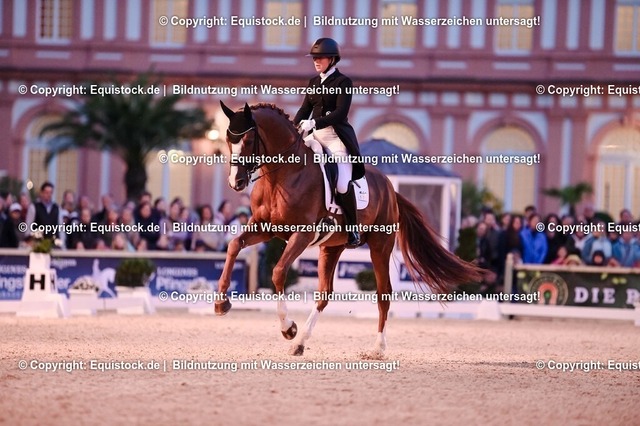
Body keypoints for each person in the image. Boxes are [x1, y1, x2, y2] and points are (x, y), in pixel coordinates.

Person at [294, 37, 365, 248]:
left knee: (342, 184)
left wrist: (315, 122)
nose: (316, 61)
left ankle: (353, 229)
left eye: (321, 58)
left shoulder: (343, 82)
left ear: (332, 59)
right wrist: (293, 127)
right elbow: (304, 109)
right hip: (315, 137)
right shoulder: (313, 82)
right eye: (314, 58)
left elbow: (341, 113)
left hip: (335, 139)